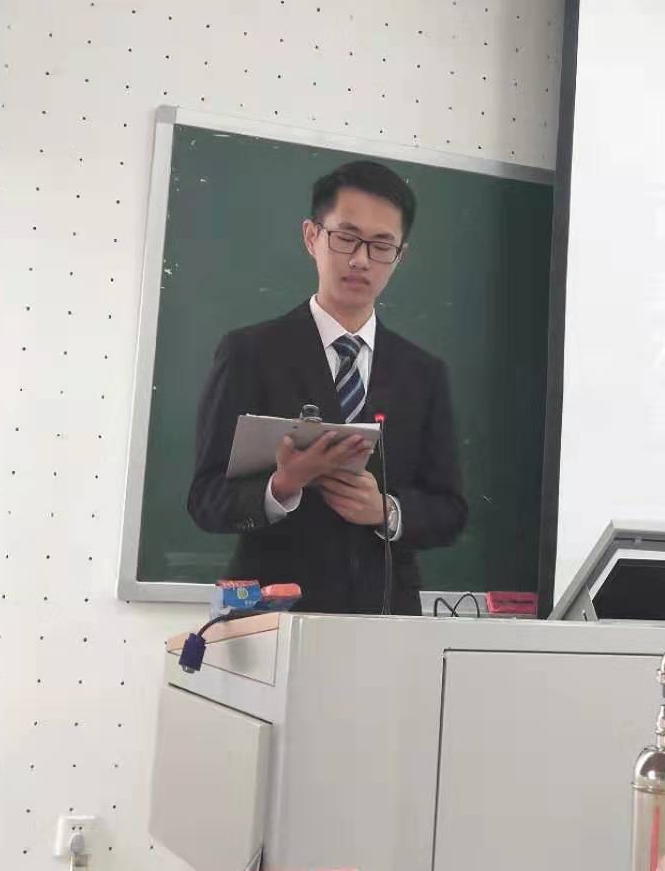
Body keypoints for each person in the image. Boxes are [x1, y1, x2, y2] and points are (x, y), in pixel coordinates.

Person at [187, 160, 467, 615]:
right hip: (277, 619)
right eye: (345, 238)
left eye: (381, 246)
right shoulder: (250, 353)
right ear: (312, 237)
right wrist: (283, 486)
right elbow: (205, 499)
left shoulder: (423, 373)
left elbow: (450, 510)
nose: (361, 259)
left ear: (400, 256)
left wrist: (387, 510)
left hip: (388, 621)